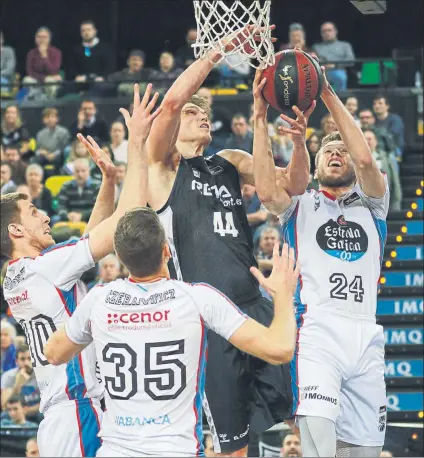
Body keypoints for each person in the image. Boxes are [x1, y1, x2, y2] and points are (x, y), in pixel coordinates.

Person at [145, 29, 310, 455]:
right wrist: (219, 51)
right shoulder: (161, 171)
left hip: (254, 303)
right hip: (210, 320)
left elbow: (290, 187)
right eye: (193, 113)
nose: (202, 115)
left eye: (205, 112)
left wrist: (265, 124)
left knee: (309, 411)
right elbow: (171, 103)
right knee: (234, 445)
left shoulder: (228, 163)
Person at [44, 206, 299, 457]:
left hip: (115, 450)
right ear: (166, 250)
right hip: (177, 449)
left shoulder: (98, 300)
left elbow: (53, 353)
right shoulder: (197, 298)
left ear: (120, 258)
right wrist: (284, 296)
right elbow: (280, 349)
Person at [1, 83, 162, 457]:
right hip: (79, 410)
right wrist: (136, 143)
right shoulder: (47, 267)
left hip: (60, 415)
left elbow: (85, 244)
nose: (46, 216)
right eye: (34, 213)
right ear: (16, 230)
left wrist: (107, 183)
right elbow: (126, 218)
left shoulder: (17, 275)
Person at [253, 67, 388, 457]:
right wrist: (260, 120)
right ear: (315, 167)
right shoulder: (301, 205)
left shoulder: (374, 203)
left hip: (366, 336)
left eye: (341, 150)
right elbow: (266, 190)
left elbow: (364, 158)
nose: (336, 154)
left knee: (364, 452)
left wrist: (326, 92)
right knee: (319, 449)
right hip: (317, 332)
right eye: (327, 151)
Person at [312, 22, 355, 91]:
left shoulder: (345, 45)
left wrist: (334, 65)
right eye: (324, 31)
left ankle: (340, 98)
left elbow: (351, 60)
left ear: (335, 31)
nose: (327, 33)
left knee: (339, 76)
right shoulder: (316, 47)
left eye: (329, 30)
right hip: (321, 72)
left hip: (338, 71)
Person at [23, 27, 62, 98]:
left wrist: (44, 56)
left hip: (50, 80)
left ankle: (51, 105)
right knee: (27, 80)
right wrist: (43, 78)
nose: (42, 39)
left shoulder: (56, 52)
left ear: (49, 39)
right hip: (36, 80)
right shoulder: (31, 53)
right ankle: (31, 103)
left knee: (50, 81)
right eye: (39, 37)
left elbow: (53, 71)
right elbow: (29, 72)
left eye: (44, 37)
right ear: (35, 39)